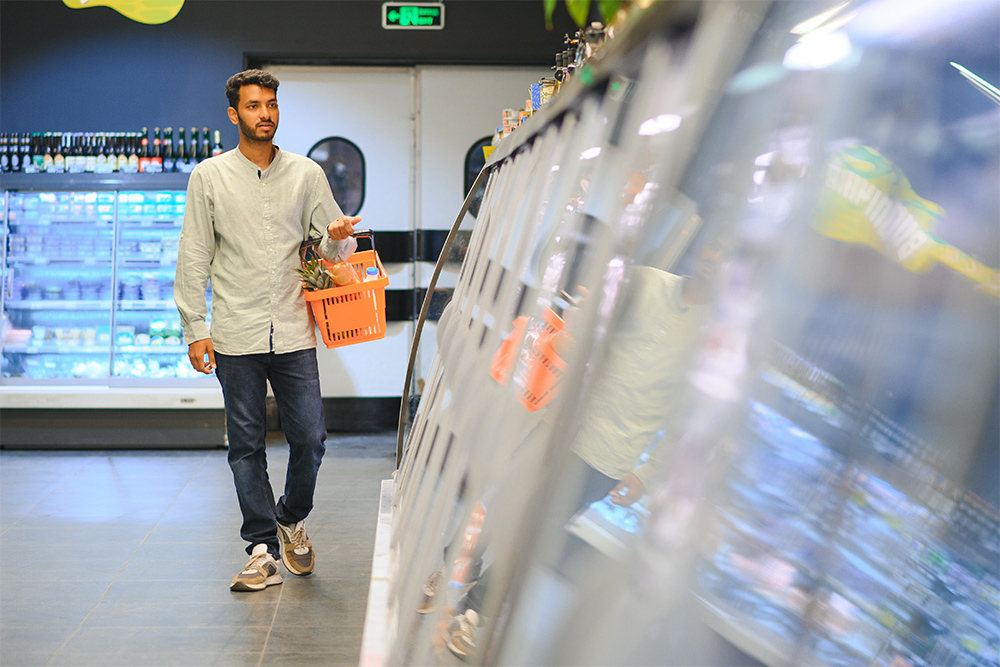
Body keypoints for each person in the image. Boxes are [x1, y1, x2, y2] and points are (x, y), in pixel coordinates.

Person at [174, 69, 361, 592]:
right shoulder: (208, 177)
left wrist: (339, 237)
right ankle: (261, 548)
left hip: (295, 330)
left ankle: (290, 516)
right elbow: (194, 256)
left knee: (312, 439)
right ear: (235, 114)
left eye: (272, 104)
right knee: (247, 445)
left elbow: (328, 250)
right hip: (235, 331)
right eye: (254, 106)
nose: (266, 114)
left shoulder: (306, 175)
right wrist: (195, 327)